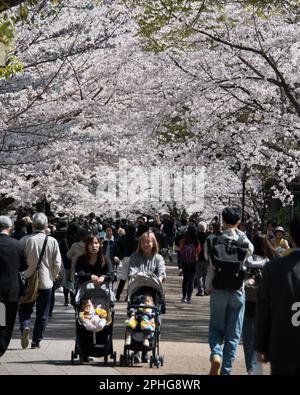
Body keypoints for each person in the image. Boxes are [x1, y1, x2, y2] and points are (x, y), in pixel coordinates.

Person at [205, 207, 254, 375]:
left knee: (215, 329)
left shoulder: (211, 240)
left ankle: (216, 355)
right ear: (238, 222)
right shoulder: (244, 242)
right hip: (237, 291)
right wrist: (240, 232)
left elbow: (209, 262)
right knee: (233, 335)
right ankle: (226, 371)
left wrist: (207, 287)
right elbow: (251, 252)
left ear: (222, 221)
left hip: (218, 290)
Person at [255, 214, 300, 375]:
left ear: (292, 236)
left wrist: (261, 345)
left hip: (282, 344)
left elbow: (264, 310)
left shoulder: (273, 268)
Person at [18, 213, 62, 349]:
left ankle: (25, 326)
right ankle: (36, 341)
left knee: (25, 307)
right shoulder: (52, 241)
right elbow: (57, 263)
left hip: (28, 280)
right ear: (46, 225)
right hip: (46, 281)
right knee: (42, 313)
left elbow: (19, 261)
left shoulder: (25, 240)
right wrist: (53, 277)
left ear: (32, 225)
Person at [242, 233, 279, 375]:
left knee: (249, 339)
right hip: (267, 305)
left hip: (249, 302)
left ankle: (251, 368)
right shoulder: (271, 261)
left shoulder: (248, 260)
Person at [128, 231, 166, 362]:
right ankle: (137, 349)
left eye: (148, 241)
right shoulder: (135, 257)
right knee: (136, 317)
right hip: (138, 291)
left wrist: (158, 280)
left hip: (153, 293)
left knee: (153, 318)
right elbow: (132, 273)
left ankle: (149, 347)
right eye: (143, 241)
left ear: (153, 243)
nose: (146, 244)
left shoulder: (158, 258)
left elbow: (161, 273)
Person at [0, 216, 27, 357]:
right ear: (10, 228)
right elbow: (24, 265)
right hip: (12, 289)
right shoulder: (17, 245)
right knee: (8, 322)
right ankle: (1, 347)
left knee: (0, 319)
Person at [179, 226, 200, 303]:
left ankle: (184, 297)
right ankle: (189, 298)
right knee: (191, 280)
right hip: (194, 262)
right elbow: (198, 251)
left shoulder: (184, 241)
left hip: (184, 262)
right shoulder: (196, 241)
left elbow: (181, 250)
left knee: (185, 279)